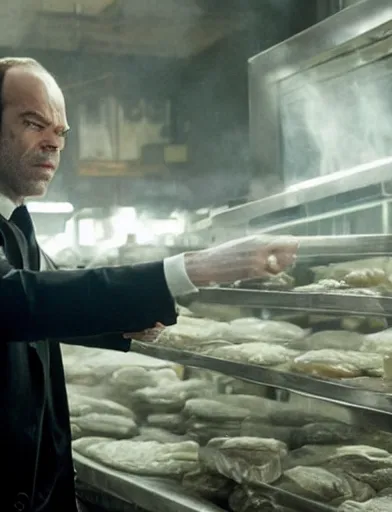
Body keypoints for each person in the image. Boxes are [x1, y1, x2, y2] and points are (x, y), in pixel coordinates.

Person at [0, 57, 298, 511]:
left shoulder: (14, 219)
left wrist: (125, 319)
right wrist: (193, 268)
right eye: (33, 123)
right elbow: (15, 299)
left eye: (60, 133)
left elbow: (41, 297)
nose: (52, 144)